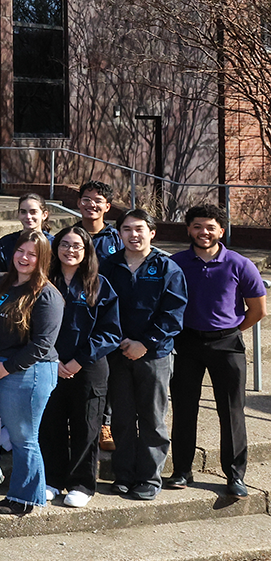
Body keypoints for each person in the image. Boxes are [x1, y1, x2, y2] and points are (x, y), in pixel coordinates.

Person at [0, 230, 63, 515]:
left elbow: (42, 345)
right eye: (21, 251)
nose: (24, 258)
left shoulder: (47, 295)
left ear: (42, 259)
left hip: (28, 370)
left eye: (32, 254)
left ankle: (25, 499)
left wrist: (7, 367)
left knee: (23, 437)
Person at [168, 205, 264, 498]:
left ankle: (235, 474)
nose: (204, 232)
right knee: (184, 408)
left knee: (231, 411)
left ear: (221, 231)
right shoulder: (176, 263)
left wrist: (230, 330)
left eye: (210, 227)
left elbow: (258, 310)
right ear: (189, 229)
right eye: (197, 226)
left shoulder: (239, 264)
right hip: (187, 342)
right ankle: (182, 470)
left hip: (227, 344)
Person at [103, 210, 186, 499]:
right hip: (117, 353)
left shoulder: (167, 268)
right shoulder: (109, 266)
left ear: (152, 232)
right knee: (122, 418)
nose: (133, 234)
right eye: (126, 229)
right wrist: (119, 342)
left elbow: (173, 315)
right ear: (120, 234)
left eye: (139, 229)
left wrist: (145, 343)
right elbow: (101, 307)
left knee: (152, 418)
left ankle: (149, 478)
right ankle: (123, 474)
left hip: (155, 355)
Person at [41, 225, 121, 507]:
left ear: (87, 251)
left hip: (87, 367)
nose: (70, 250)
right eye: (64, 244)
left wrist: (76, 361)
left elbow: (110, 332)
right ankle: (52, 479)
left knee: (86, 427)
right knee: (51, 425)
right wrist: (55, 358)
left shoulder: (100, 284)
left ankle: (82, 485)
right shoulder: (44, 281)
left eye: (77, 246)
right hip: (50, 364)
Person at [0, 193, 52, 271]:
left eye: (33, 212)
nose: (28, 216)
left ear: (44, 215)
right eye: (23, 212)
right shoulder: (5, 244)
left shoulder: (53, 243)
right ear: (18, 214)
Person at [77, 181, 122, 260]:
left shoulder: (117, 239)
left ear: (107, 207)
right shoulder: (68, 236)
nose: (92, 204)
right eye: (86, 200)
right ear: (79, 203)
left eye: (98, 201)